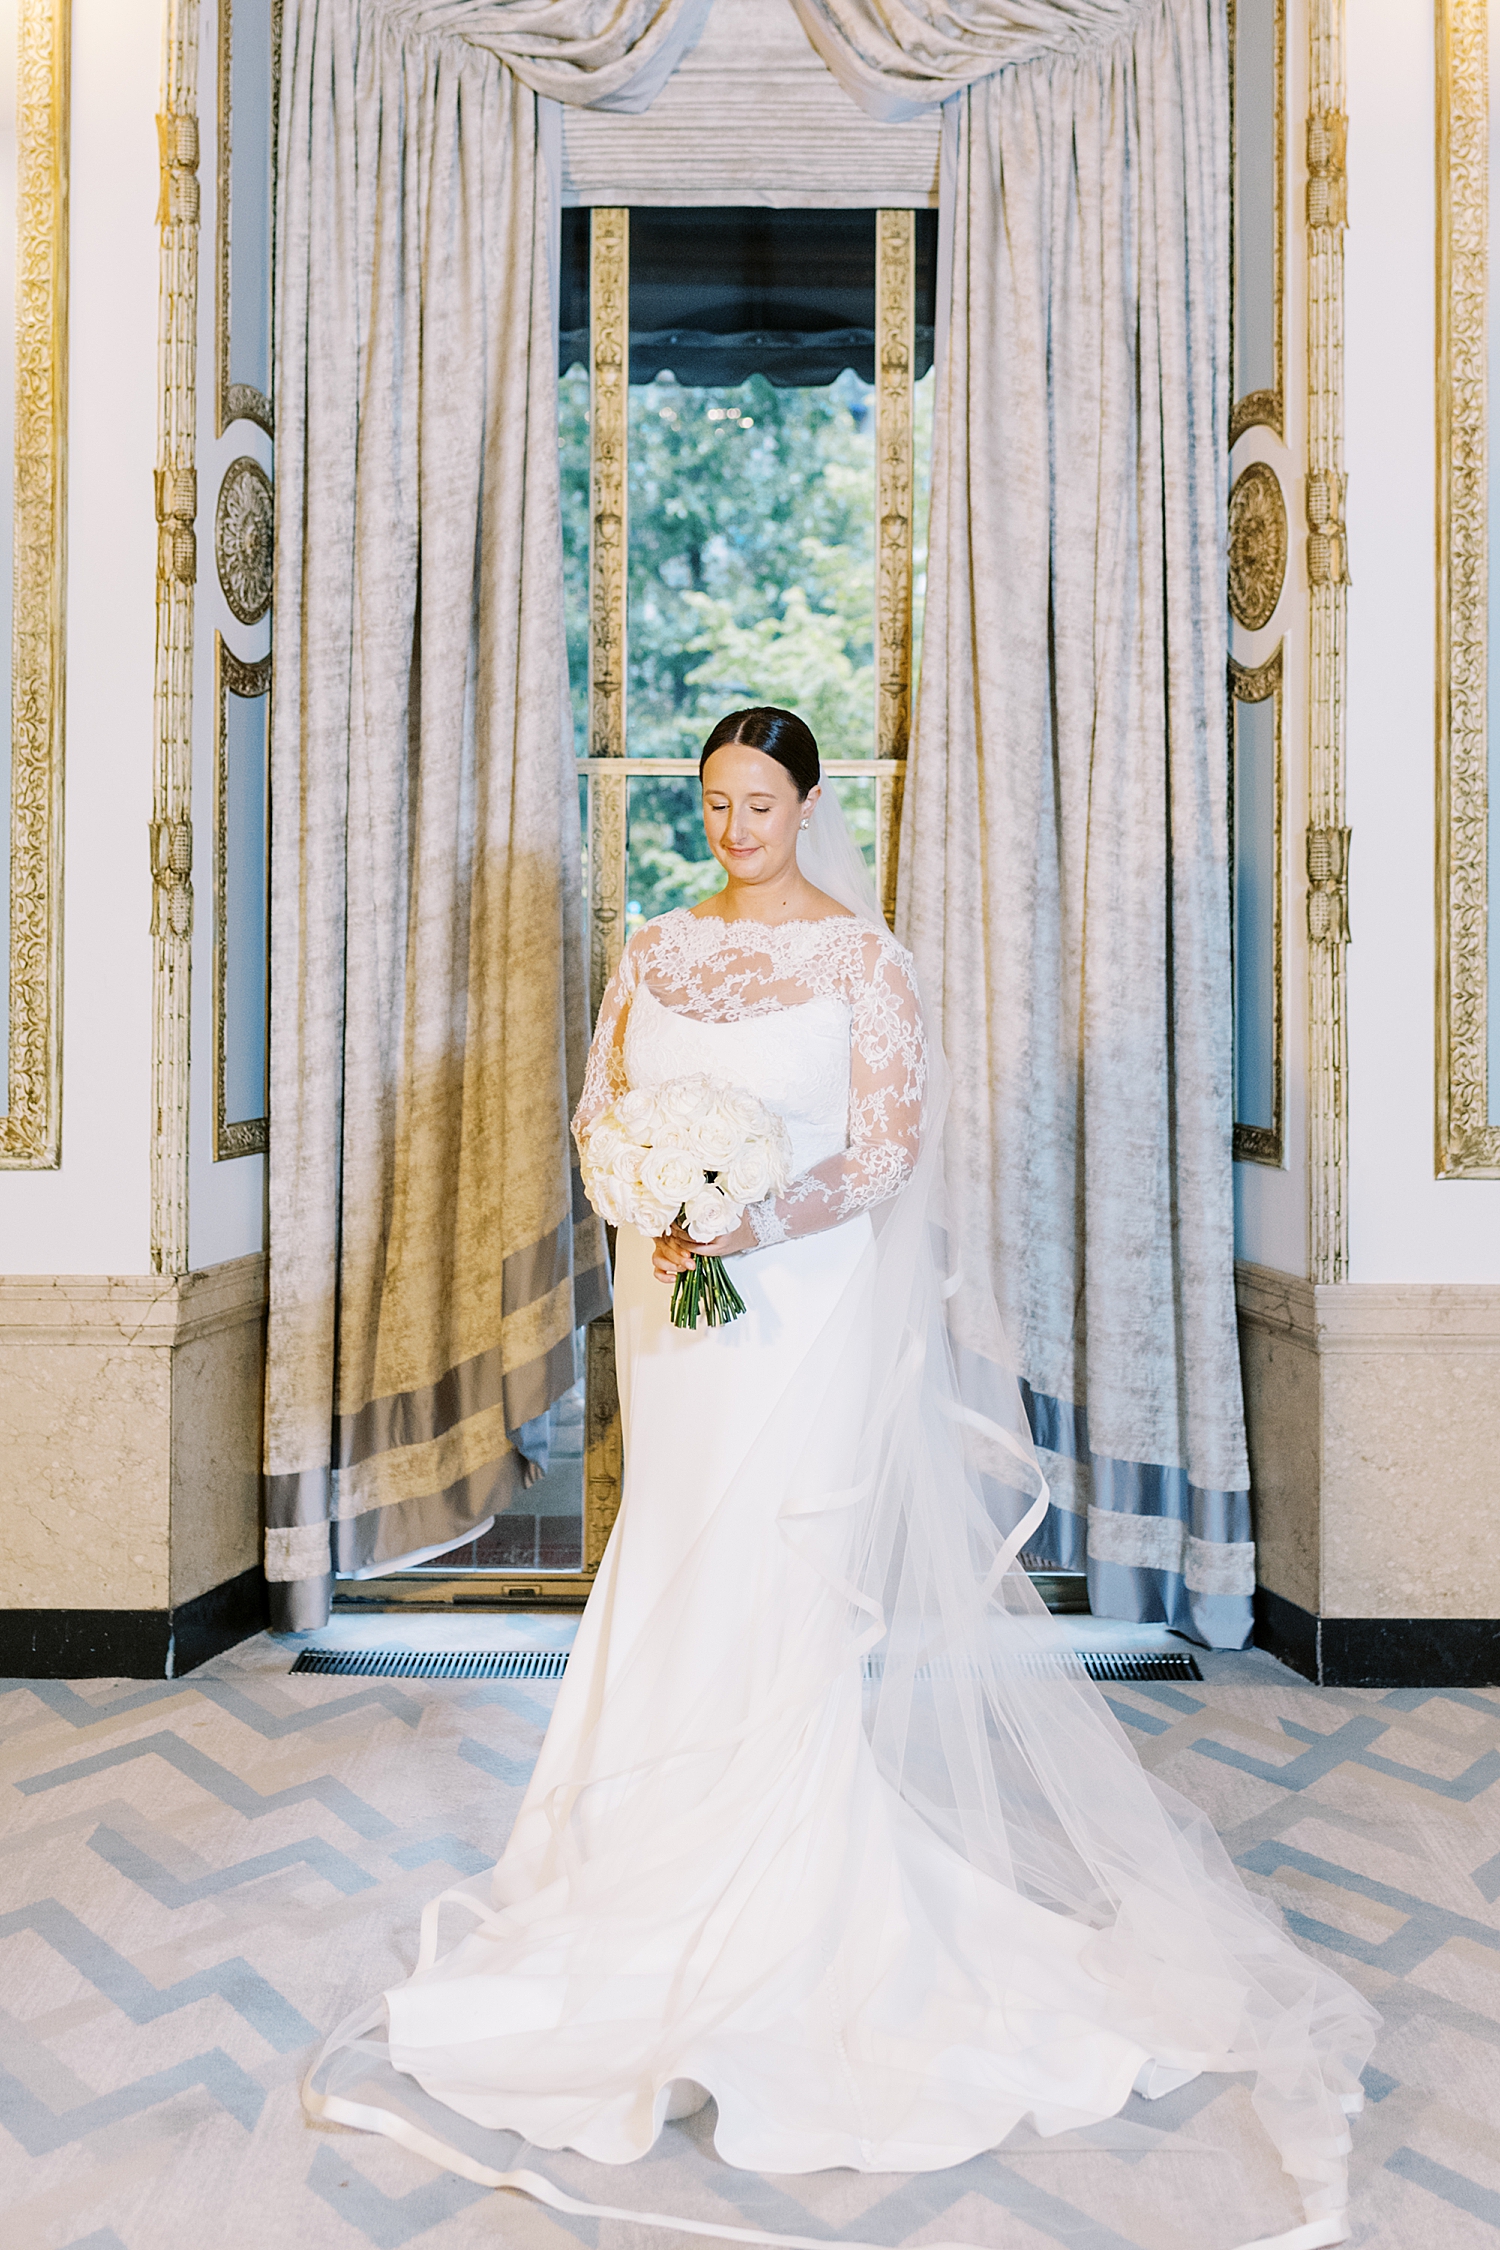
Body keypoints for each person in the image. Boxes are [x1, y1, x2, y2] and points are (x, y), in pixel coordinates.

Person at [305, 707, 1379, 2250]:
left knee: (780, 1570)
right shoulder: (657, 950)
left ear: (807, 804)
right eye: (716, 801)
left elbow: (886, 1147)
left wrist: (752, 1211)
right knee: (675, 1554)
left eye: (760, 800)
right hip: (677, 1326)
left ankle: (789, 1897)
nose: (735, 822)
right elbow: (602, 1121)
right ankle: (631, 1866)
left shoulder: (863, 963)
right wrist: (652, 1187)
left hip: (791, 1319)